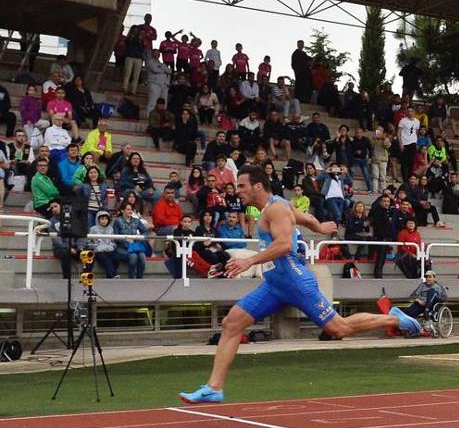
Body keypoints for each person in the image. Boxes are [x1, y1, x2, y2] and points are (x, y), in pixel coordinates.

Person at [178, 165, 423, 404]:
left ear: (258, 186)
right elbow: (304, 217)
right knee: (231, 324)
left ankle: (394, 318)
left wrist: (250, 261)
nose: (237, 190)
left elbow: (285, 244)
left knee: (339, 329)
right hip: (274, 285)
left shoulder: (276, 209)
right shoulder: (274, 208)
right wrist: (320, 227)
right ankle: (214, 388)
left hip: (296, 282)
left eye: (242, 186)